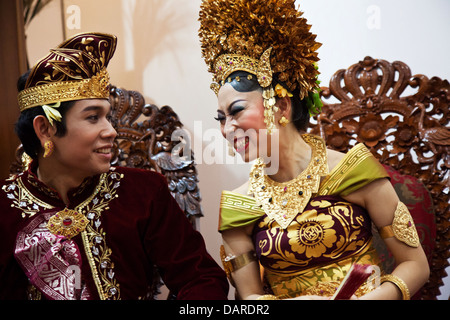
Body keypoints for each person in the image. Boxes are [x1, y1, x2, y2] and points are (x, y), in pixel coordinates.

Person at [198, 0, 429, 300]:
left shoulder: (352, 170)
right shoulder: (237, 207)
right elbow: (250, 297)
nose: (227, 130)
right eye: (220, 119)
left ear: (281, 106)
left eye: (237, 111)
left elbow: (415, 264)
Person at [0, 32, 228, 300]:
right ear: (46, 128)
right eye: (93, 117)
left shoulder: (142, 191)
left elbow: (201, 278)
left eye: (107, 116)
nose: (110, 130)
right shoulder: (4, 208)